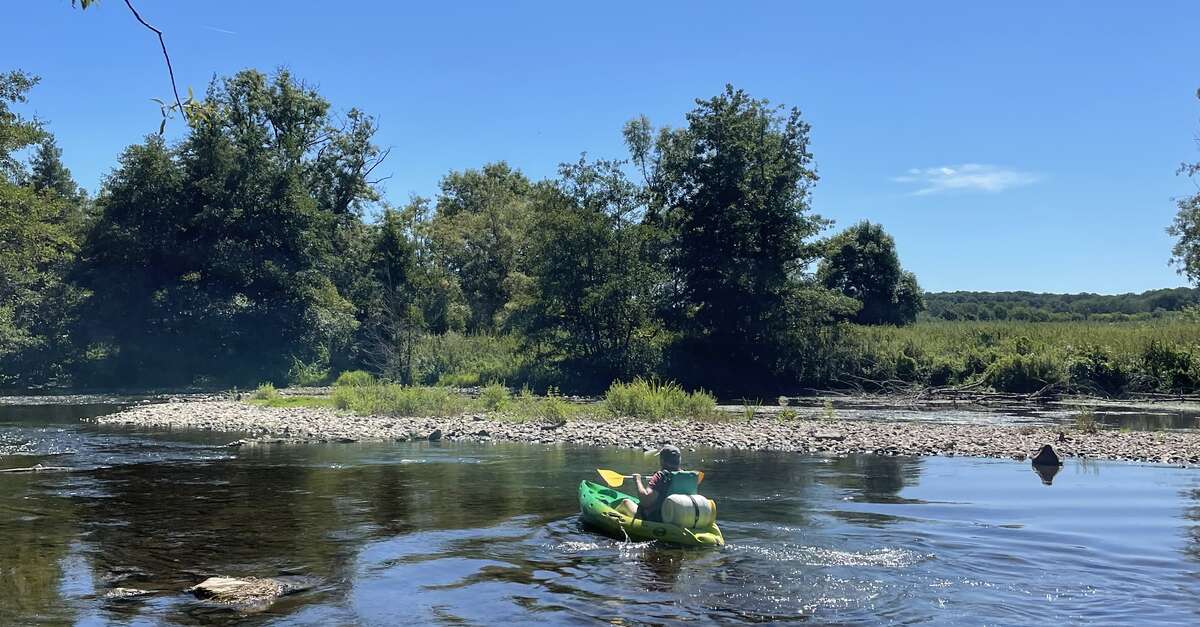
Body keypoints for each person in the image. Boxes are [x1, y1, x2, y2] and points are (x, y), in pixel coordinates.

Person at [631, 445, 692, 522]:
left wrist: (637, 480)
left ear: (662, 460)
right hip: (680, 518)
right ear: (679, 460)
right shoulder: (687, 476)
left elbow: (645, 500)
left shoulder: (661, 476)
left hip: (657, 519)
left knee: (625, 502)